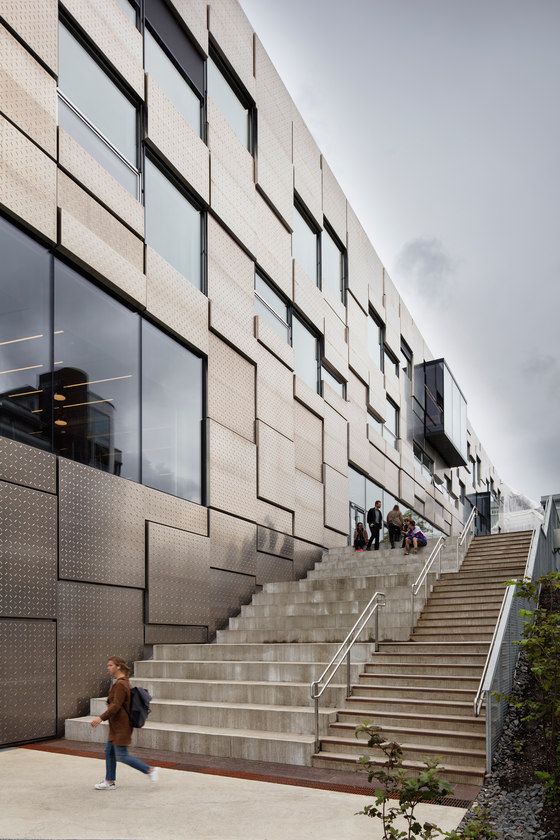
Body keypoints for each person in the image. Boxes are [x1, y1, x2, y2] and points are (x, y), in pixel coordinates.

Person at [90, 656, 159, 790]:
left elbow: (115, 706)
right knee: (109, 752)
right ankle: (109, 781)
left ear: (118, 666)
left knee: (122, 755)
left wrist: (100, 718)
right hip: (116, 725)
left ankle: (150, 770)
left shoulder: (121, 684)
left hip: (122, 726)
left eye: (110, 665)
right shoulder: (122, 682)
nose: (108, 668)